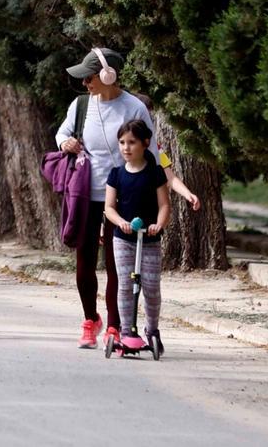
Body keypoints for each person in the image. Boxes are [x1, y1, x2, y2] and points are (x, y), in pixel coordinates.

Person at [53, 47, 197, 349]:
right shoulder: (81, 105)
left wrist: (167, 189)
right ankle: (90, 319)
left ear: (108, 76)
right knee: (84, 263)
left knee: (118, 266)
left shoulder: (133, 108)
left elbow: (153, 154)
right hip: (87, 195)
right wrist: (66, 142)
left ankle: (116, 326)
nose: (85, 83)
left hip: (124, 197)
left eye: (90, 77)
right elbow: (62, 133)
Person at [103, 118, 169, 352]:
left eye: (132, 142)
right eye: (122, 142)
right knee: (125, 285)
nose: (126, 147)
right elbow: (109, 208)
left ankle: (152, 331)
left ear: (145, 143)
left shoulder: (155, 174)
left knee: (151, 286)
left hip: (149, 240)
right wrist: (121, 223)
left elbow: (164, 206)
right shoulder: (116, 174)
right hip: (123, 239)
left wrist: (158, 225)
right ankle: (126, 331)